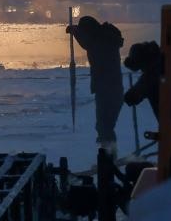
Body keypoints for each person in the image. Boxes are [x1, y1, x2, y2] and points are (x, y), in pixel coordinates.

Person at [67, 16, 125, 155]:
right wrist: (75, 30)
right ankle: (109, 156)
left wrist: (74, 31)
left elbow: (87, 42)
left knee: (104, 126)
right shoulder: (107, 36)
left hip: (107, 89)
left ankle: (109, 157)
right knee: (105, 126)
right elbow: (89, 40)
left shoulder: (100, 41)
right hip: (111, 88)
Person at [123, 41, 163, 119]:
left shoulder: (152, 73)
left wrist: (129, 96)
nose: (141, 70)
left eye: (139, 67)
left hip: (169, 122)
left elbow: (144, 85)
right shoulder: (162, 60)